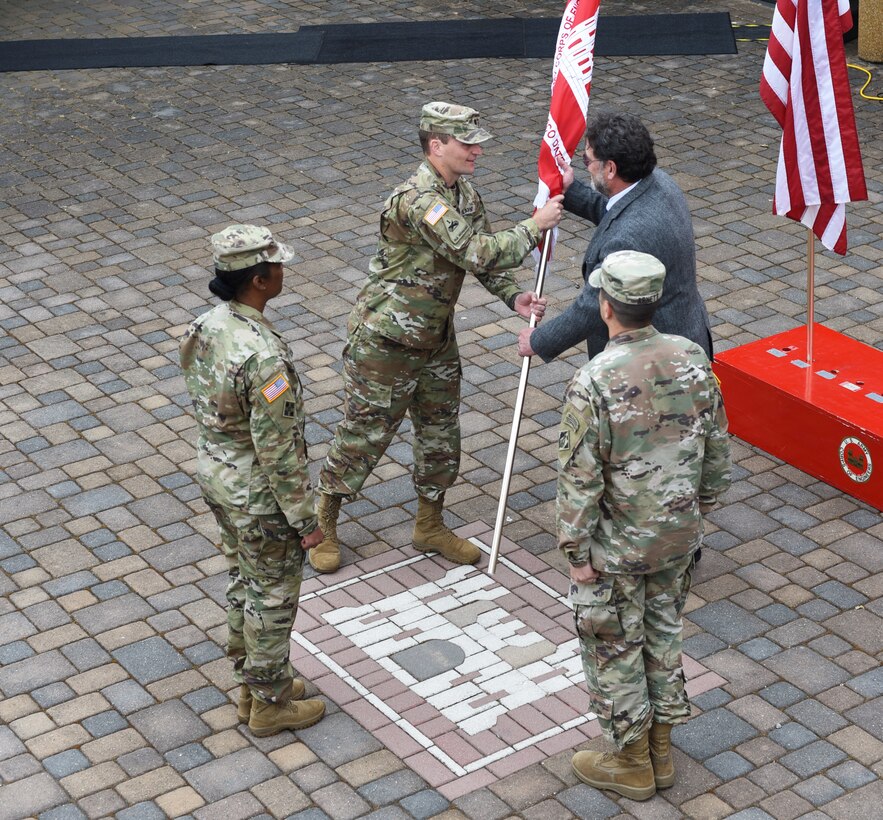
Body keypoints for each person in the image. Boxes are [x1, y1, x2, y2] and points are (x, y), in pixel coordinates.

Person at [309, 101, 564, 573]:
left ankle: (429, 525)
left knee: (441, 435)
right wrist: (535, 226)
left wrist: (514, 298)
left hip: (434, 339)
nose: (476, 152)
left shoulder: (463, 194)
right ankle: (323, 521)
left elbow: (481, 262)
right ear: (436, 146)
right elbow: (477, 249)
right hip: (387, 342)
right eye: (467, 144)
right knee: (364, 435)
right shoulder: (419, 201)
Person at [556, 250, 730, 800]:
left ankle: (630, 762)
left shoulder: (594, 379)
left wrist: (576, 552)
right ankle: (661, 750)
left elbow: (580, 480)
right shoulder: (691, 355)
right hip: (677, 535)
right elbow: (717, 443)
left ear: (606, 307)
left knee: (613, 643)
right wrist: (700, 504)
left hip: (617, 544)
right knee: (663, 633)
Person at [179, 224, 325, 737]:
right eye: (278, 265)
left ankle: (254, 684)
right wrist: (306, 520)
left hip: (217, 475)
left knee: (244, 580)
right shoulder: (264, 357)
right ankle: (269, 705)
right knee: (272, 593)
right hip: (258, 493)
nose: (285, 271)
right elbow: (278, 450)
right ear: (260, 280)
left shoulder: (206, 325)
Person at [518, 110, 713, 363]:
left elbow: (593, 305)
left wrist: (539, 340)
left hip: (651, 365)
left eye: (588, 161)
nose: (585, 167)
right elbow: (617, 211)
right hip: (684, 333)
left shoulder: (627, 240)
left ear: (610, 168)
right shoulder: (659, 183)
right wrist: (570, 189)